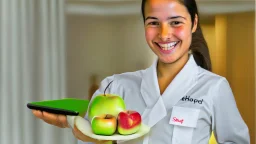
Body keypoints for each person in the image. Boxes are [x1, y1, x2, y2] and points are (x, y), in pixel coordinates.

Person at [32, 0, 250, 143]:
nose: (164, 34)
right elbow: (93, 136)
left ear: (194, 23)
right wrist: (71, 123)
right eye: (153, 22)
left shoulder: (214, 87)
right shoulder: (115, 86)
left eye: (176, 22)